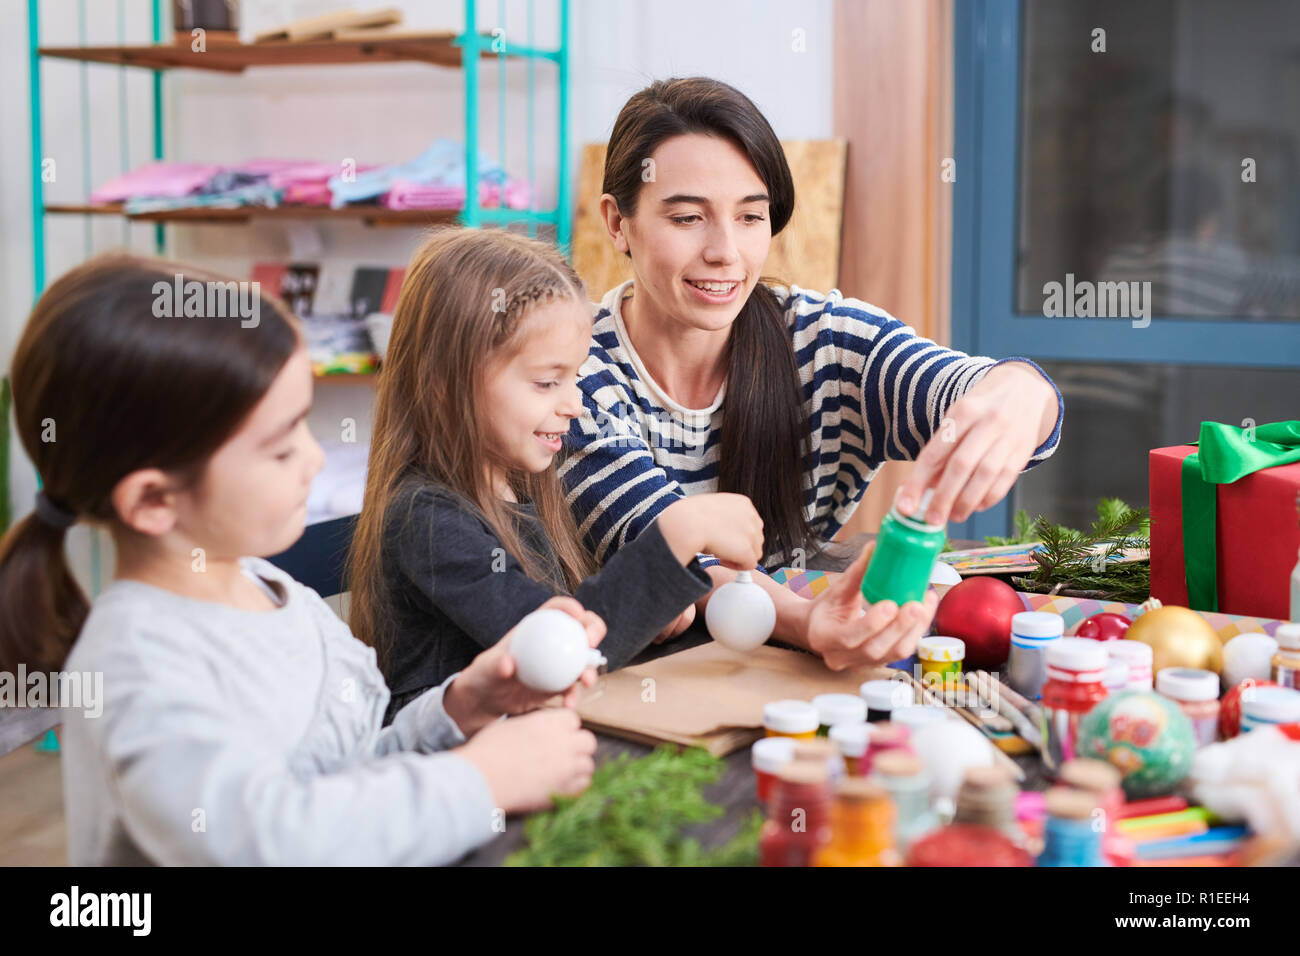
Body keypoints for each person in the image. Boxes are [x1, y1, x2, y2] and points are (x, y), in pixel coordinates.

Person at [0, 254, 600, 865]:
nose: (315, 460)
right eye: (282, 448)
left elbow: (341, 782)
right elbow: (273, 841)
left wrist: (454, 710)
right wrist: (479, 782)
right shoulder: (137, 667)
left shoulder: (271, 591)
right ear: (154, 500)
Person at [560, 77, 1064, 671]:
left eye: (751, 217)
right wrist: (805, 623)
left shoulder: (821, 341)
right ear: (618, 223)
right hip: (639, 683)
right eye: (689, 217)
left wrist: (1020, 395)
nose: (726, 251)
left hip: (784, 674)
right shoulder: (571, 374)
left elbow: (954, 387)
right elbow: (673, 558)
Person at [345, 227, 767, 722]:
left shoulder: (521, 483)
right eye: (548, 382)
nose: (574, 405)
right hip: (452, 775)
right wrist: (680, 531)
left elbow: (563, 620)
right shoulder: (426, 518)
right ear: (445, 385)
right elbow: (556, 655)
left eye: (575, 377)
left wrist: (645, 607)